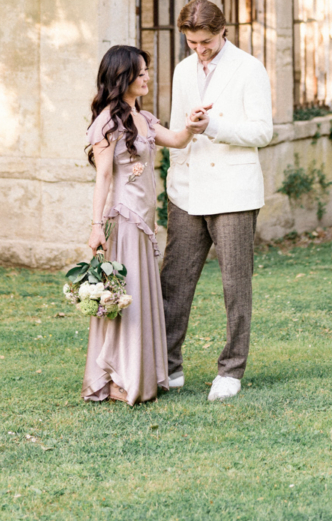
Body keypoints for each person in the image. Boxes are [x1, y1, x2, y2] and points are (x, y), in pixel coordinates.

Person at [161, 0, 274, 401]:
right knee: (173, 282)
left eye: (205, 41)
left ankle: (231, 370)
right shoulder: (182, 70)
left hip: (233, 192)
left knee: (235, 285)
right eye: (192, 43)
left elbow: (263, 131)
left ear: (222, 31)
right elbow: (176, 129)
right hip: (187, 191)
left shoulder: (249, 68)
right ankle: (168, 366)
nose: (199, 50)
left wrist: (215, 126)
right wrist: (176, 169)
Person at [83, 44, 209, 406]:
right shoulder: (107, 121)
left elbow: (178, 141)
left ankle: (140, 374)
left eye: (146, 71)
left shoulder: (145, 118)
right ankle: (118, 379)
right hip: (124, 220)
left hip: (145, 224)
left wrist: (193, 122)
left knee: (139, 297)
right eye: (139, 73)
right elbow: (103, 177)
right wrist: (96, 227)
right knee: (126, 299)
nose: (146, 78)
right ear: (121, 77)